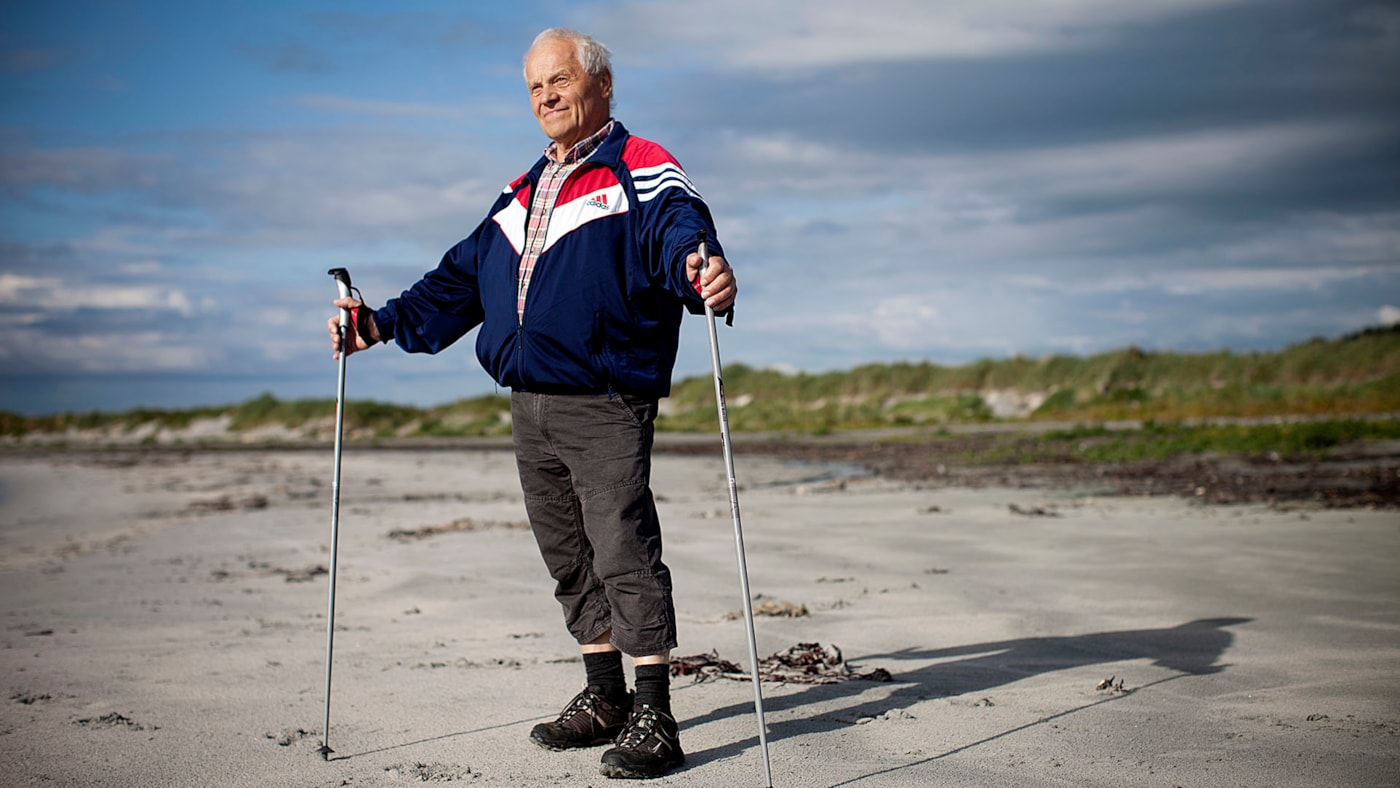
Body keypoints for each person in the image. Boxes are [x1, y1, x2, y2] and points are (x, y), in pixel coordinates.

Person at [326, 27, 736, 781]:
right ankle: (604, 694)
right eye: (533, 87)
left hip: (605, 396)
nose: (545, 96)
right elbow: (456, 283)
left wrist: (699, 269)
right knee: (567, 553)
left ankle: (656, 714)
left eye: (559, 80)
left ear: (601, 85)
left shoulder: (640, 166)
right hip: (529, 401)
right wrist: (376, 325)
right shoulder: (520, 192)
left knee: (621, 546)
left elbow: (682, 227)